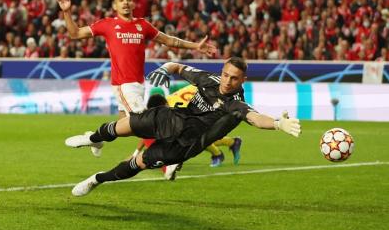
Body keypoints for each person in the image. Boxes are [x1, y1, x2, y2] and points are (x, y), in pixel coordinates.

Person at [65, 57, 301, 196]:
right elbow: (177, 66)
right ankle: (94, 138)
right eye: (226, 75)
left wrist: (278, 123)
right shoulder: (209, 80)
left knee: (139, 163)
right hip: (171, 119)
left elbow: (256, 118)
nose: (228, 81)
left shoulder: (236, 105)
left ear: (243, 81)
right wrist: (163, 69)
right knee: (125, 125)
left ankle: (97, 179)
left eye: (234, 78)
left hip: (184, 145)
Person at [57, 0, 216, 163]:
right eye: (121, 0)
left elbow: (169, 40)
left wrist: (195, 46)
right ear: (114, 6)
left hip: (139, 84)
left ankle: (96, 138)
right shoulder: (107, 24)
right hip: (123, 84)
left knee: (123, 127)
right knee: (142, 122)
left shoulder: (143, 25)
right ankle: (168, 161)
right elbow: (75, 34)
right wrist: (66, 11)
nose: (125, 2)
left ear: (133, 4)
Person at [163, 84, 242, 167]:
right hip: (204, 104)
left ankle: (217, 155)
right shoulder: (171, 99)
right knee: (198, 136)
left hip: (207, 108)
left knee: (195, 138)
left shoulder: (171, 108)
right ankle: (232, 142)